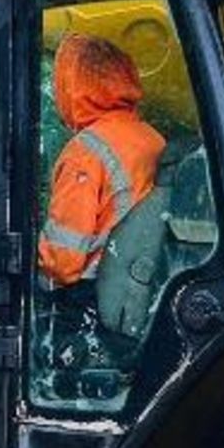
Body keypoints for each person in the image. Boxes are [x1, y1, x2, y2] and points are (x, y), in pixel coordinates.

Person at [38, 33, 165, 287]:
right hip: (137, 282)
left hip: (92, 293)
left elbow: (62, 263)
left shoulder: (84, 153)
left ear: (72, 86)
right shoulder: (152, 137)